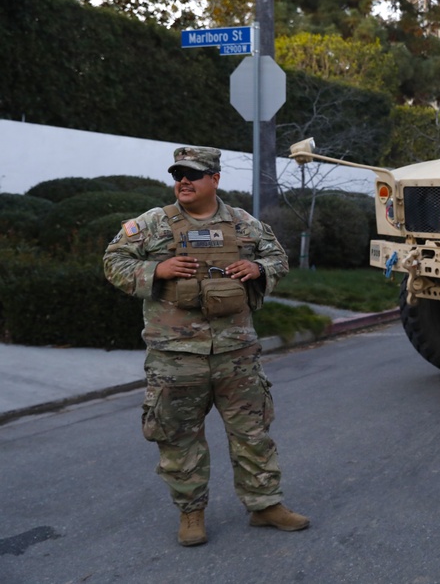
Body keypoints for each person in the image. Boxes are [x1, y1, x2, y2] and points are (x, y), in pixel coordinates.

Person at [104, 146, 309, 547]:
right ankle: (191, 512)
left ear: (214, 179)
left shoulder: (243, 224)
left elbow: (278, 258)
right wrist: (155, 270)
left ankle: (265, 504)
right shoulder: (153, 224)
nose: (184, 180)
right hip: (176, 356)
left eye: (193, 174)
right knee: (179, 437)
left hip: (236, 353)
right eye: (178, 173)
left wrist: (259, 268)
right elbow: (114, 261)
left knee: (253, 432)